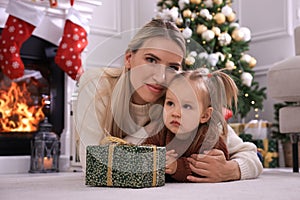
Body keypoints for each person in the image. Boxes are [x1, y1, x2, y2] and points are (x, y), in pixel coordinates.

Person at [75, 18, 263, 183]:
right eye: (151, 60)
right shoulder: (97, 84)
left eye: (172, 67)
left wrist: (232, 170)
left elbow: (249, 155)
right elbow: (92, 165)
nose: (160, 75)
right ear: (129, 58)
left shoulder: (178, 96)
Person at [143, 68, 237, 182]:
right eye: (170, 103)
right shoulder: (159, 130)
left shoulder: (209, 138)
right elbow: (144, 152)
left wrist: (177, 167)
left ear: (205, 116)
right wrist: (154, 158)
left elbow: (210, 170)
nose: (175, 113)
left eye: (187, 106)